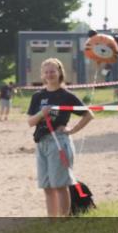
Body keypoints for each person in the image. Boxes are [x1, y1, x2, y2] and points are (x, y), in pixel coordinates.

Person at [26, 58, 94, 218]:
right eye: (46, 72)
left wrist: (72, 130)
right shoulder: (37, 96)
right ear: (42, 74)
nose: (49, 74)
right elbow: (30, 122)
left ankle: (64, 221)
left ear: (60, 73)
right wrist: (41, 114)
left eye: (53, 71)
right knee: (47, 187)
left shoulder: (66, 95)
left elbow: (89, 115)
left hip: (58, 142)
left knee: (60, 185)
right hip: (41, 142)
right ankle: (52, 221)